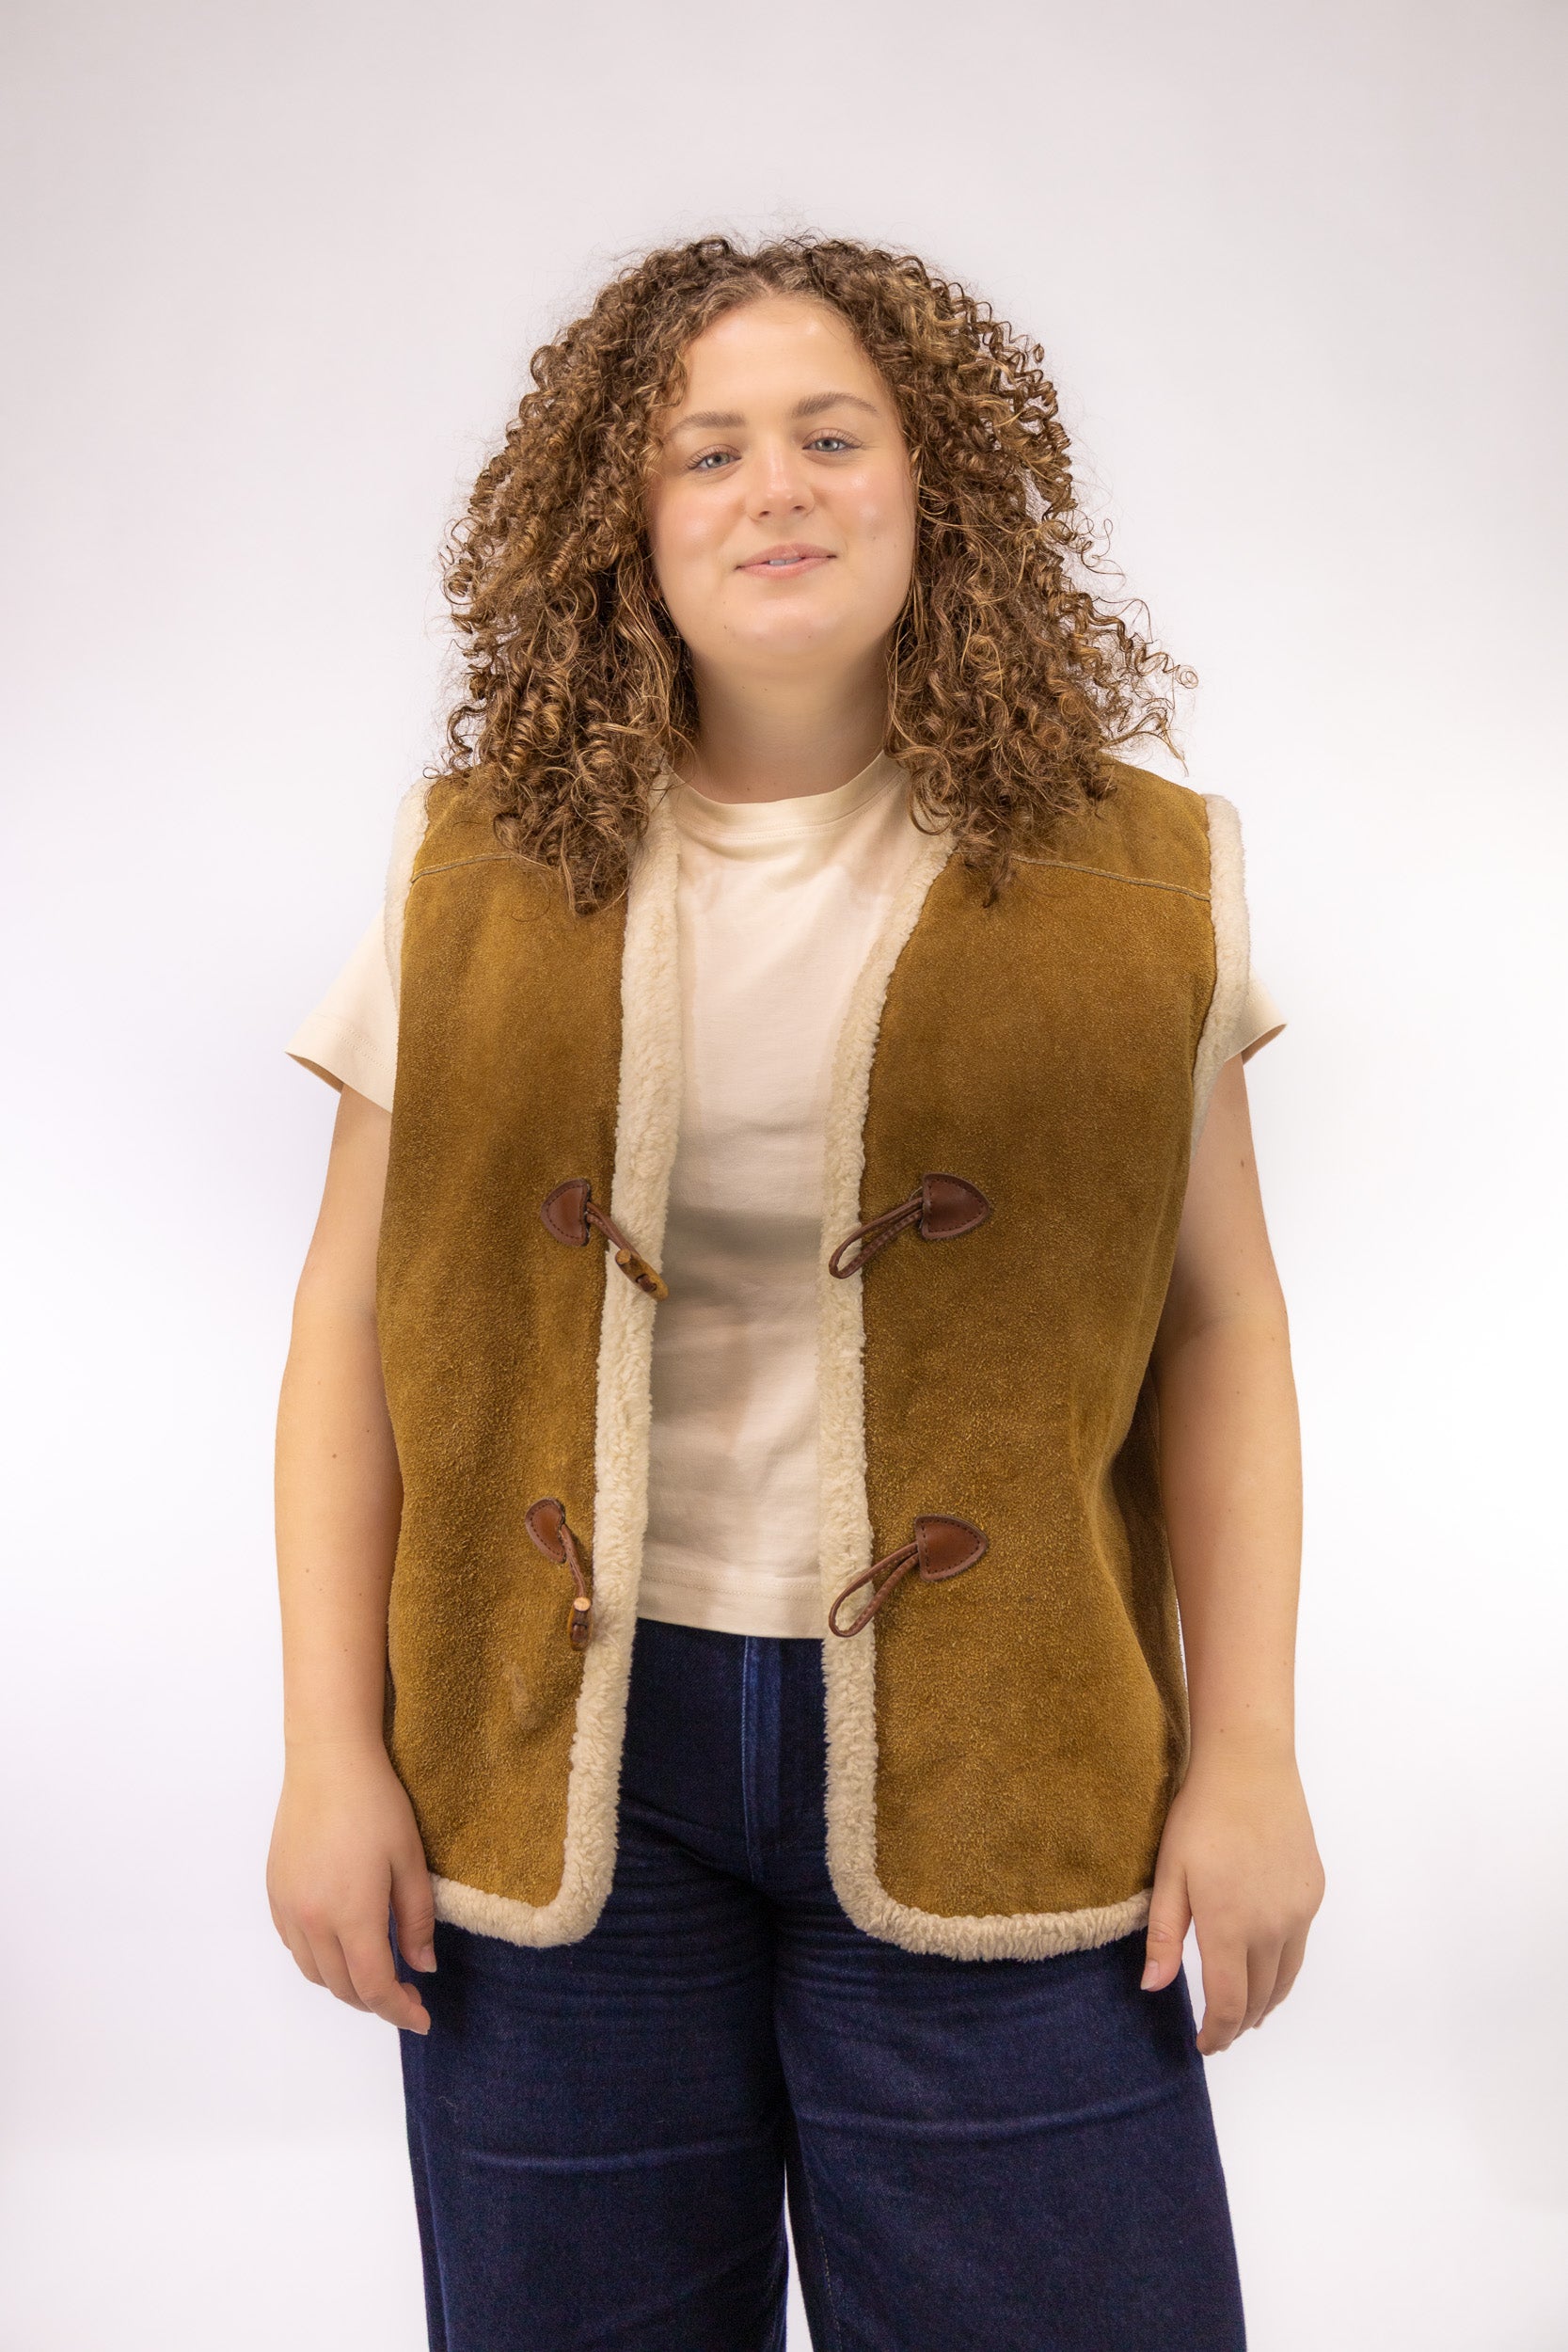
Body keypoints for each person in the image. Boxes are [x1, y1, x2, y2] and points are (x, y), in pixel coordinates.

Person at [268, 232, 1323, 2352]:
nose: (778, 489)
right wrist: (322, 1752)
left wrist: (1252, 1752)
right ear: (624, 520)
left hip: (1011, 1740)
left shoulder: (1145, 874)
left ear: (935, 484)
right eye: (709, 450)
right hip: (551, 1754)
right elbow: (348, 1335)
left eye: (834, 436)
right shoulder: (464, 868)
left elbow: (1222, 1327)